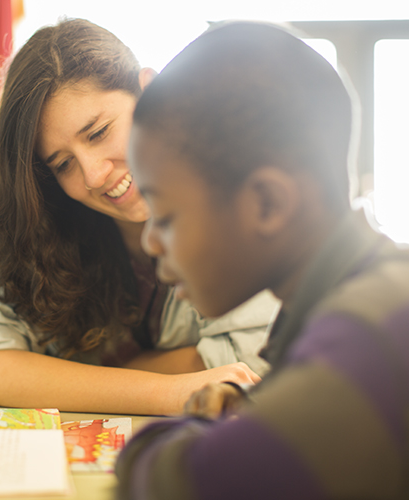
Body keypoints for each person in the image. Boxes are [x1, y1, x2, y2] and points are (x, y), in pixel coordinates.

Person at [115, 21, 409, 499]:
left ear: (268, 204)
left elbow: (176, 482)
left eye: (165, 216)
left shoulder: (368, 331)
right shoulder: (351, 296)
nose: (150, 242)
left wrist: (181, 430)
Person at [0, 18, 278, 415]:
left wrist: (61, 373)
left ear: (152, 94)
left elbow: (252, 362)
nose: (95, 175)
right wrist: (168, 390)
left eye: (98, 133)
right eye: (63, 164)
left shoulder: (236, 194)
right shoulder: (27, 216)